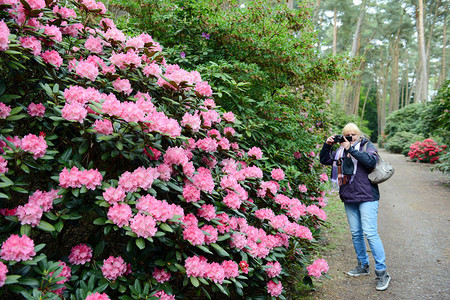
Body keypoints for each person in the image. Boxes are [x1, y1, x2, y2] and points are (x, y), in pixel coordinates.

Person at [319, 123, 391, 291]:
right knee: (356, 233)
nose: (350, 137)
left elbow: (371, 163)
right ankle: (362, 265)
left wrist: (350, 148)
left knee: (370, 232)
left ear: (358, 135)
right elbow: (324, 159)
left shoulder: (366, 146)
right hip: (349, 196)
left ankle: (382, 272)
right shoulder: (339, 151)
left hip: (367, 196)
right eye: (347, 135)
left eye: (353, 134)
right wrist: (327, 145)